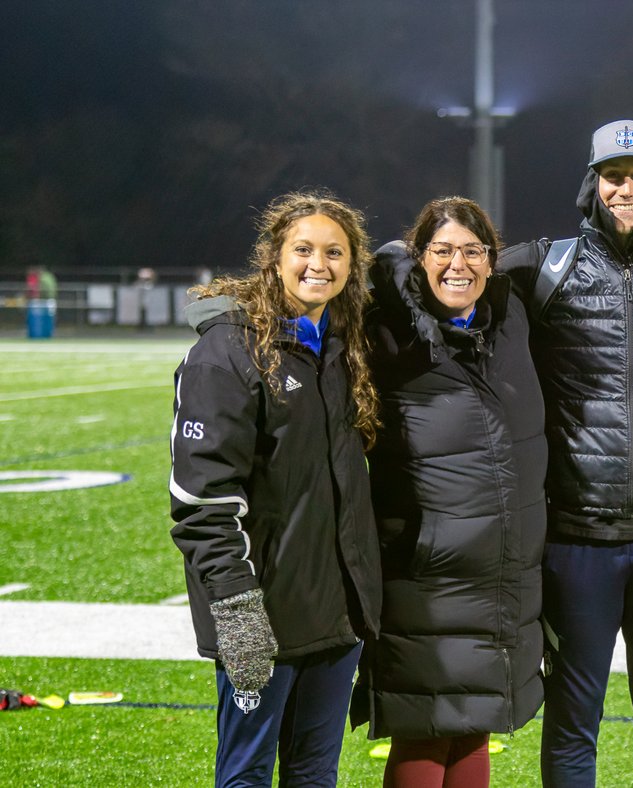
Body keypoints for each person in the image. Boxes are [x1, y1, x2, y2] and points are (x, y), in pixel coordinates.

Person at [499, 119, 633, 786]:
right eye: (613, 176)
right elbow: (442, 278)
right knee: (571, 724)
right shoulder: (543, 264)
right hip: (576, 540)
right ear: (592, 184)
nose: (626, 188)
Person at [169, 190, 382, 787]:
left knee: (315, 774)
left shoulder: (342, 345)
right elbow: (201, 505)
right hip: (264, 616)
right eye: (304, 249)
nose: (320, 264)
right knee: (247, 775)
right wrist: (238, 612)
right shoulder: (226, 353)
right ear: (274, 257)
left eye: (335, 252)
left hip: (333, 618)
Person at [350, 197, 547, 787]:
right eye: (441, 251)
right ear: (419, 259)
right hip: (426, 576)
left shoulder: (511, 320)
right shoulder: (384, 329)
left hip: (503, 571)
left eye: (471, 251)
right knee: (425, 726)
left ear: (492, 261)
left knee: (473, 723)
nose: (457, 264)